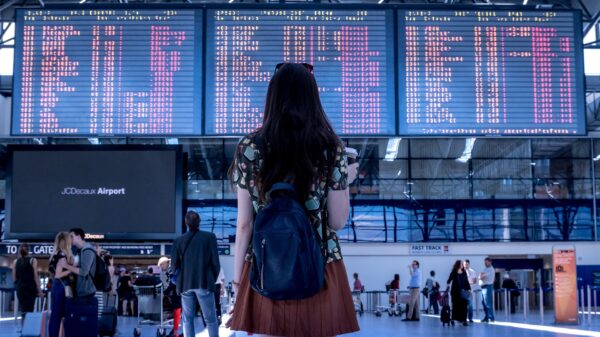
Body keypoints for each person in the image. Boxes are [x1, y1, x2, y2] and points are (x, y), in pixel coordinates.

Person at [227, 62, 360, 337]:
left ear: (272, 97)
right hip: (320, 265)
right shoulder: (330, 147)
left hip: (266, 265)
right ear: (313, 97)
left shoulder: (249, 147)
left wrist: (238, 280)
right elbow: (337, 221)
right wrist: (344, 178)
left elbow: (244, 225)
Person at [171, 210, 220, 337]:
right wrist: (211, 278)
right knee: (211, 319)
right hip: (204, 282)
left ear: (186, 223)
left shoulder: (178, 240)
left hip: (185, 285)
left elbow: (174, 266)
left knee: (187, 320)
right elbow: (216, 263)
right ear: (199, 222)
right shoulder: (209, 237)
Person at [61, 228, 99, 330]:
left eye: (72, 237)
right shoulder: (81, 251)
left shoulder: (88, 250)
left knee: (83, 324)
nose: (70, 239)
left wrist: (66, 266)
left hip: (86, 293)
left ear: (79, 236)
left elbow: (84, 271)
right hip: (81, 291)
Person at [48, 232, 74, 337]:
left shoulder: (55, 254)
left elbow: (53, 273)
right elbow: (59, 274)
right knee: (59, 316)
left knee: (55, 315)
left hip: (56, 285)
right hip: (62, 287)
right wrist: (70, 270)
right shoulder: (63, 255)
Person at [11, 243, 44, 326]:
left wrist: (18, 285)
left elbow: (14, 278)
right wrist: (39, 290)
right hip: (30, 288)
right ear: (28, 250)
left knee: (23, 310)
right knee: (29, 310)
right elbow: (35, 276)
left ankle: (24, 330)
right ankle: (28, 330)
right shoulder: (32, 260)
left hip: (20, 288)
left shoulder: (15, 261)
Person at [158, 257, 182, 337]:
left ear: (166, 263)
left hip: (177, 292)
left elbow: (173, 282)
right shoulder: (167, 271)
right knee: (177, 310)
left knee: (177, 309)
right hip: (176, 292)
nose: (161, 267)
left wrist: (167, 290)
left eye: (162, 264)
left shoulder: (173, 269)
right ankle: (175, 330)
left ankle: (175, 331)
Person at [446, 260, 471, 326]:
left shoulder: (464, 272)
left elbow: (466, 281)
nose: (462, 265)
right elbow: (448, 281)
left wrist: (469, 289)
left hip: (463, 291)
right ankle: (453, 319)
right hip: (455, 292)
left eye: (462, 264)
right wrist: (447, 288)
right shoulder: (454, 272)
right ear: (458, 265)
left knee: (464, 306)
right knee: (455, 306)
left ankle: (464, 320)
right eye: (461, 264)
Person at [480, 257, 496, 322]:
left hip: (488, 287)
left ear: (490, 262)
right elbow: (480, 276)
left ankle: (491, 317)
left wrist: (481, 276)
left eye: (486, 262)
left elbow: (481, 277)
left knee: (488, 303)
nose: (485, 263)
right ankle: (486, 317)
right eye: (484, 262)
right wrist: (481, 276)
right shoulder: (485, 269)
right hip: (483, 287)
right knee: (483, 302)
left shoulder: (491, 269)